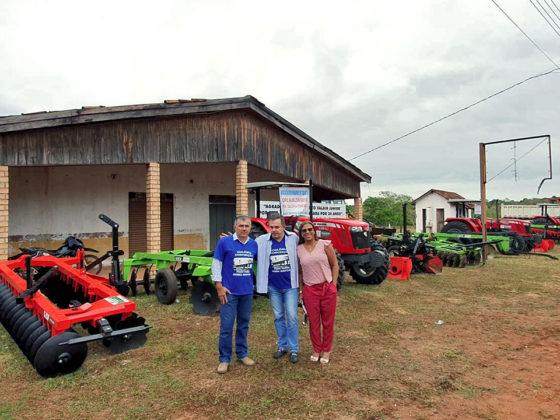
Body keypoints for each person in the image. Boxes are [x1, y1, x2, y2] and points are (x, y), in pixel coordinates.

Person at [212, 215, 258, 374]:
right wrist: (219, 286)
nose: (244, 229)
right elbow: (216, 263)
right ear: (235, 227)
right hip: (229, 293)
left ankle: (242, 354)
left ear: (250, 228)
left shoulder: (254, 244)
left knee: (243, 324)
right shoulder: (224, 242)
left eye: (247, 226)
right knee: (226, 326)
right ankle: (224, 359)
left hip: (246, 292)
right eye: (241, 226)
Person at [255, 213, 300, 363]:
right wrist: (229, 240)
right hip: (273, 287)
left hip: (290, 286)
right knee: (278, 316)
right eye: (271, 227)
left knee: (292, 317)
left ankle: (294, 349)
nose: (274, 230)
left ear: (283, 227)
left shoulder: (293, 238)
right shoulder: (262, 240)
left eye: (277, 227)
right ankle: (282, 346)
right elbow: (246, 245)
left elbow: (308, 244)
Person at [296, 221, 339, 364]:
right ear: (301, 234)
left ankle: (326, 350)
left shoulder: (325, 245)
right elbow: (300, 272)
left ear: (314, 231)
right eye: (304, 231)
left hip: (327, 288)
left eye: (310, 230)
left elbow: (335, 265)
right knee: (314, 322)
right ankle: (316, 349)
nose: (307, 232)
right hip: (310, 290)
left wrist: (333, 285)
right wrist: (301, 291)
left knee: (327, 321)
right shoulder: (299, 249)